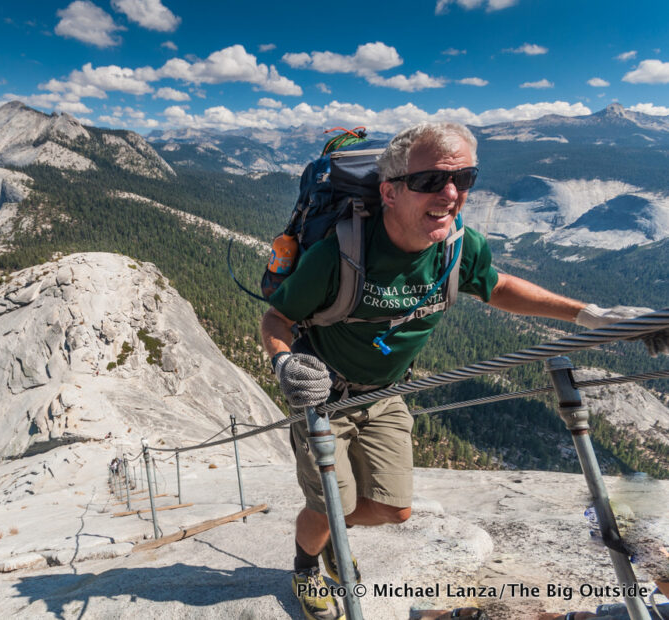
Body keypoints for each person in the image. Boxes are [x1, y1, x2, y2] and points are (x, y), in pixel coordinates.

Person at [260, 122, 669, 620]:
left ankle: (333, 533)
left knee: (395, 511)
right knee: (330, 505)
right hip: (325, 396)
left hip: (387, 394)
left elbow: (496, 286)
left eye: (465, 179)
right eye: (431, 181)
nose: (451, 194)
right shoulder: (338, 254)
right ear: (389, 191)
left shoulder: (458, 245)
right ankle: (306, 569)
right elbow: (277, 317)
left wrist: (590, 315)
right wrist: (285, 361)